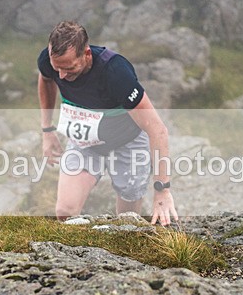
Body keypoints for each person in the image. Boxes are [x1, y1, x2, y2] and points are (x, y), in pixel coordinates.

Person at [37, 20, 178, 225]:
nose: (62, 75)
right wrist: (47, 130)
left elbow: (157, 130)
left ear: (86, 54)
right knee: (64, 212)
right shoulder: (50, 61)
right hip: (86, 142)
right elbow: (46, 79)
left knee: (127, 222)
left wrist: (163, 191)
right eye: (56, 67)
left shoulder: (116, 72)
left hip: (127, 141)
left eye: (69, 68)